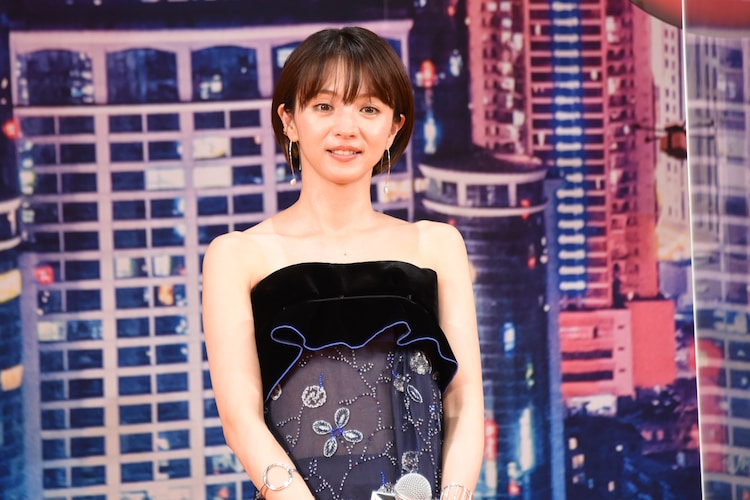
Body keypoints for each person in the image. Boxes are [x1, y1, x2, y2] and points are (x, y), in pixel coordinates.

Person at [202, 26, 483, 500]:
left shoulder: (437, 246)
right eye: (324, 106)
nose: (346, 128)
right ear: (289, 121)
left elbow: (465, 402)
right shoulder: (237, 255)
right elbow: (240, 420)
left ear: (394, 127)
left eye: (368, 109)